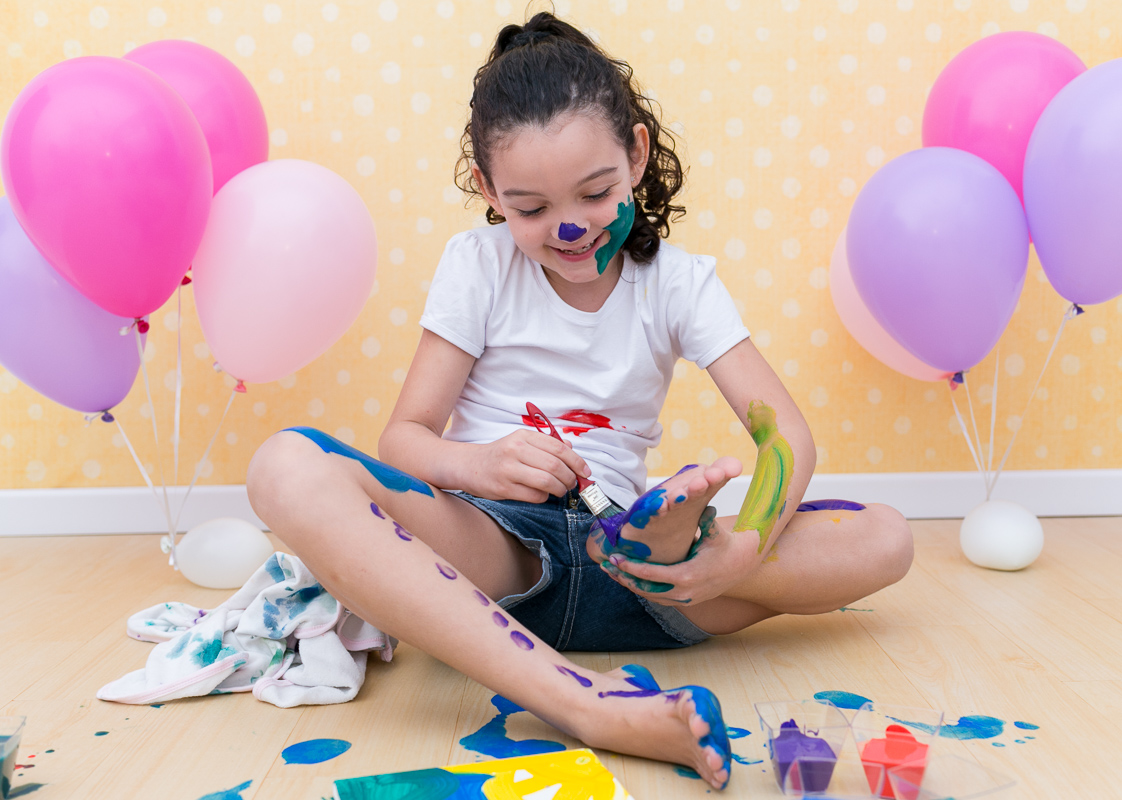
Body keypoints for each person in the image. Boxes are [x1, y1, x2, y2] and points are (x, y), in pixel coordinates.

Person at [247, 12, 912, 790]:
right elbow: (405, 439)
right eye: (529, 209)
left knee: (886, 537)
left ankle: (668, 562)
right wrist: (478, 463)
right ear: (488, 190)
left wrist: (739, 555)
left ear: (634, 155)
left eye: (596, 192)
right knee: (285, 466)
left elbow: (786, 434)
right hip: (491, 561)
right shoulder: (477, 267)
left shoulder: (678, 283)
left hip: (636, 569)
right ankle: (587, 705)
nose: (569, 227)